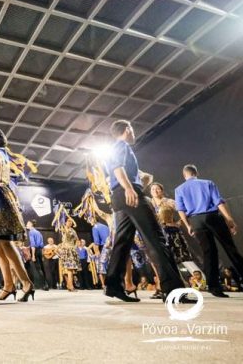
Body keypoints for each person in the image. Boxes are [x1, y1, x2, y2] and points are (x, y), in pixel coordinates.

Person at [104, 120, 192, 303]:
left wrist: (132, 186)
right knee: (157, 240)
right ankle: (174, 291)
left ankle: (113, 286)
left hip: (119, 198)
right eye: (132, 129)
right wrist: (130, 188)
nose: (133, 133)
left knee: (122, 243)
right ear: (127, 130)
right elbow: (117, 168)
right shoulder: (121, 145)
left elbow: (140, 175)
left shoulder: (116, 148)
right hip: (129, 195)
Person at [0, 129, 35, 302]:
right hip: (4, 194)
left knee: (4, 241)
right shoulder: (4, 154)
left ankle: (26, 283)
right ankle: (8, 286)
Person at [175, 164, 243, 298]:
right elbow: (219, 202)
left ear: (184, 175)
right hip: (212, 217)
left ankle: (213, 287)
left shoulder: (179, 189)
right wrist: (229, 219)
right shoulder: (208, 183)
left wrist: (188, 225)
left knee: (208, 253)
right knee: (230, 248)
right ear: (196, 173)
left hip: (195, 220)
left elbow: (181, 210)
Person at [150, 182, 193, 264]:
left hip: (170, 231)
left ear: (162, 191)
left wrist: (179, 223)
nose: (155, 191)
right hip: (156, 233)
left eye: (157, 189)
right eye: (153, 189)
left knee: (174, 258)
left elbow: (185, 210)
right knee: (161, 259)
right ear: (150, 192)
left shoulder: (169, 201)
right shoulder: (148, 203)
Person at [57, 221, 80, 292]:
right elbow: (65, 238)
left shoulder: (72, 230)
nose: (69, 223)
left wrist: (75, 247)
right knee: (68, 269)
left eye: (71, 222)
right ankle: (70, 286)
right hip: (66, 251)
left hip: (71, 250)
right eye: (68, 222)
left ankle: (70, 286)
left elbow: (77, 239)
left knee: (71, 269)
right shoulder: (63, 230)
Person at [27, 221, 49, 290]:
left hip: (35, 251)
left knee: (38, 269)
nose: (26, 225)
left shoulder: (31, 232)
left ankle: (44, 285)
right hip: (40, 251)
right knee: (42, 268)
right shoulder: (38, 232)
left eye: (27, 224)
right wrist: (42, 255)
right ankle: (46, 284)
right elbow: (42, 244)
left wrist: (33, 255)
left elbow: (33, 244)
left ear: (31, 224)